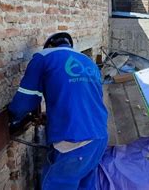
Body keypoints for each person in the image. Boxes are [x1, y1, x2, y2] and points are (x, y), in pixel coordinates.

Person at [8, 32, 108, 189]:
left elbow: (24, 102)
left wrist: (12, 119)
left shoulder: (43, 57)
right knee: (85, 185)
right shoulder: (88, 62)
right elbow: (85, 101)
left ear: (49, 46)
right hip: (99, 137)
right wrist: (52, 116)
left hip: (74, 141)